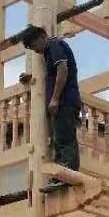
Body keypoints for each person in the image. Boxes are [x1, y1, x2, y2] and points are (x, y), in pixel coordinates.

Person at [20, 25, 81, 181]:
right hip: (65, 102)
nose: (36, 51)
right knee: (60, 140)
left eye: (35, 46)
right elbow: (53, 75)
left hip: (64, 102)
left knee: (65, 141)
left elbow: (62, 70)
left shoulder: (54, 45)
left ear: (42, 37)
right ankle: (61, 175)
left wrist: (54, 98)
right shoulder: (51, 50)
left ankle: (67, 175)